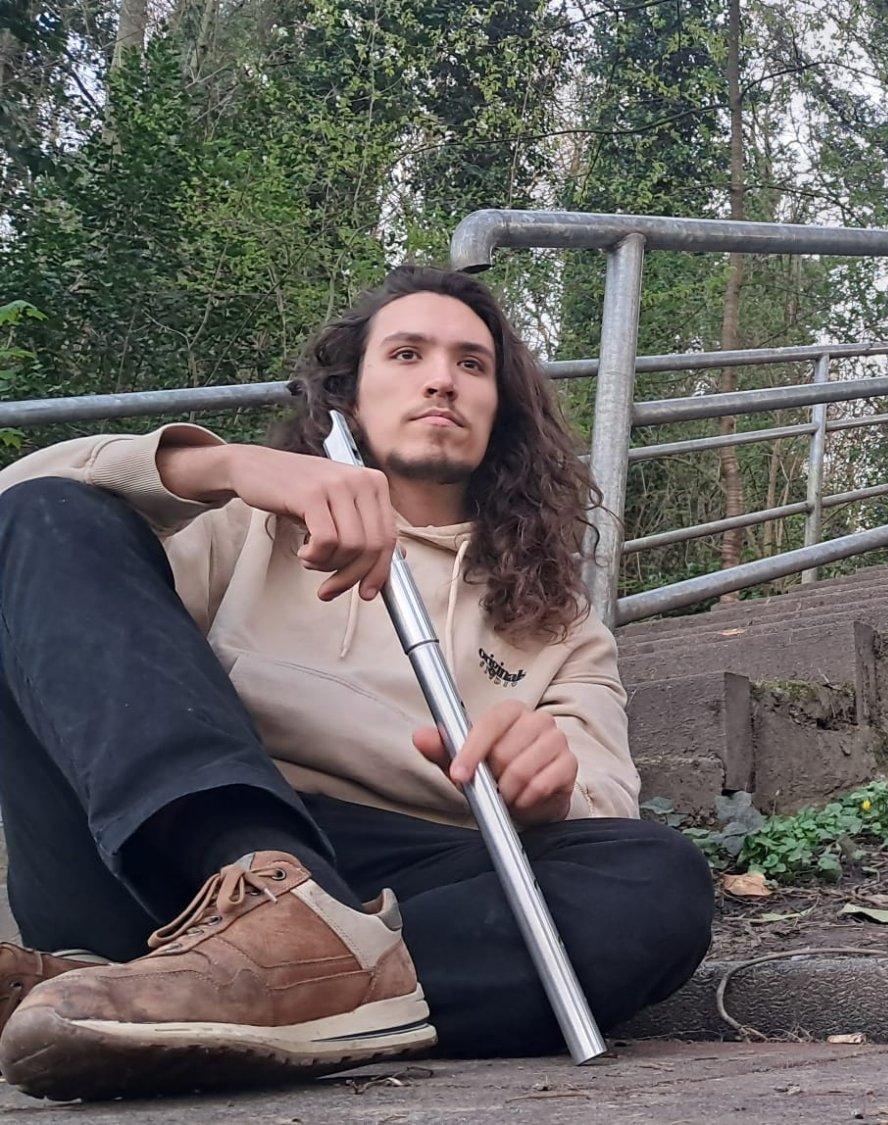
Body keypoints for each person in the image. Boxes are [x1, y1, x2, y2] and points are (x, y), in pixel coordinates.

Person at [0, 265, 713, 1100]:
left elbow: (605, 797)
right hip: (163, 858)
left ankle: (180, 994)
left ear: (503, 409)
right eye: (407, 354)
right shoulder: (239, 522)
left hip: (391, 879)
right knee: (49, 514)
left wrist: (552, 788)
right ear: (350, 395)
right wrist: (221, 466)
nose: (442, 379)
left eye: (472, 364)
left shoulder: (563, 625)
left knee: (656, 878)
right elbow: (27, 528)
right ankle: (264, 954)